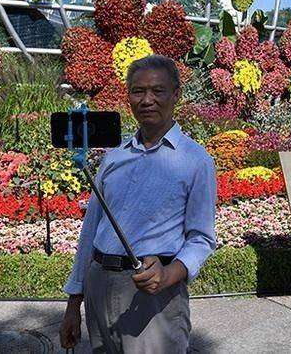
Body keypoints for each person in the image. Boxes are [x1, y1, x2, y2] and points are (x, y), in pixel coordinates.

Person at [59, 54, 217, 353]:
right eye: (138, 91)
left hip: (154, 295)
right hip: (99, 286)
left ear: (176, 94)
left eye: (158, 91)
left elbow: (202, 238)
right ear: (128, 96)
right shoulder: (114, 157)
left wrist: (169, 275)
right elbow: (89, 231)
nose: (147, 100)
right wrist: (73, 304)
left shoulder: (196, 161)